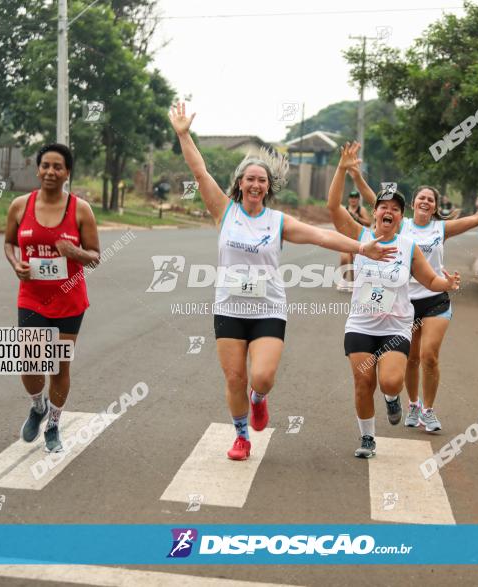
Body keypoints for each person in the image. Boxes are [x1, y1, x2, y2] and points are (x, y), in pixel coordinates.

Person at [169, 103, 397, 461]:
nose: (256, 184)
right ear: (239, 184)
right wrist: (184, 134)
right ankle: (241, 436)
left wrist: (362, 248)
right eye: (250, 179)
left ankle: (259, 400)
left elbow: (322, 237)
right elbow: (199, 172)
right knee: (233, 379)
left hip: (267, 309)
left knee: (260, 377)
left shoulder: (278, 222)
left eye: (262, 180)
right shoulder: (223, 210)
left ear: (268, 187)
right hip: (229, 307)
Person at [352, 151, 478, 434]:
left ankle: (428, 410)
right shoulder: (400, 224)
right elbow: (373, 199)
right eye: (421, 197)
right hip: (405, 302)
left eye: (431, 199)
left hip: (435, 299)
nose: (426, 201)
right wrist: (355, 174)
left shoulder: (442, 228)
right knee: (412, 358)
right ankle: (412, 404)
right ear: (413, 204)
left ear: (435, 206)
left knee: (429, 355)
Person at [330, 142, 460, 458]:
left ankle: (393, 398)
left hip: (395, 327)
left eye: (396, 209)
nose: (389, 211)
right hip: (361, 324)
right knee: (363, 383)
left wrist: (448, 283)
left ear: (401, 217)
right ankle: (367, 438)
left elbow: (430, 280)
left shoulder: (408, 247)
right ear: (375, 213)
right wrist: (342, 169)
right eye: (384, 207)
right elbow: (333, 208)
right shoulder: (360, 237)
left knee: (389, 382)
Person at [3, 143, 100, 453]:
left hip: (69, 300)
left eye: (58, 167)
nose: (51, 172)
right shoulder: (20, 205)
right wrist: (15, 263)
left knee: (58, 367)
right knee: (31, 363)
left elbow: (95, 256)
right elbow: (8, 243)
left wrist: (75, 253)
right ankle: (38, 406)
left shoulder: (81, 209)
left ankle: (54, 424)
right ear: (37, 169)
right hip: (31, 296)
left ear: (67, 173)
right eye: (46, 165)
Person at [337, 191, 372, 291]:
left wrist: (357, 217)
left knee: (353, 259)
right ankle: (344, 279)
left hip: (357, 239)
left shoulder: (362, 209)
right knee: (344, 258)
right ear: (349, 199)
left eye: (355, 197)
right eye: (351, 197)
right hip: (346, 237)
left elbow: (368, 223)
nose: (353, 199)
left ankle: (352, 281)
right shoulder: (345, 209)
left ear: (358, 199)